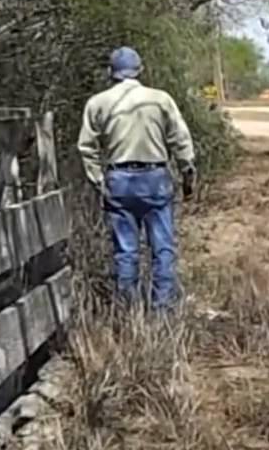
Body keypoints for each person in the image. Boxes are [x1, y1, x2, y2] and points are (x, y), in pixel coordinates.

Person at [77, 47, 196, 312]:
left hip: (118, 179)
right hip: (155, 178)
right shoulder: (160, 99)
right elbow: (180, 139)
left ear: (111, 72)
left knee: (126, 251)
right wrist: (187, 171)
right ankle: (162, 311)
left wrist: (99, 179)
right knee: (162, 248)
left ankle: (128, 311)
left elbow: (87, 147)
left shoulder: (98, 103)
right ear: (140, 70)